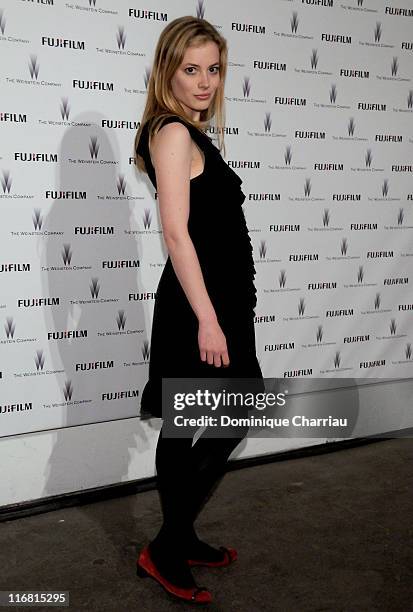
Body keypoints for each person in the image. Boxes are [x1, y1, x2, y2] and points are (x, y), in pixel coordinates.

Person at [134, 16, 264, 604]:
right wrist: (209, 321)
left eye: (213, 69)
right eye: (192, 70)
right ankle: (165, 548)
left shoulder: (190, 132)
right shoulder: (173, 134)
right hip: (198, 309)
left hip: (220, 304)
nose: (205, 82)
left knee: (226, 416)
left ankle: (177, 536)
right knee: (197, 423)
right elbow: (176, 234)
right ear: (168, 71)